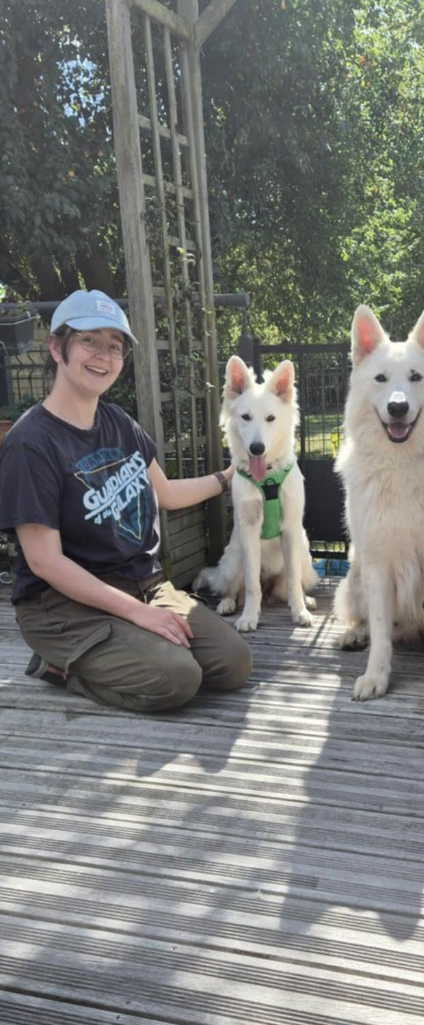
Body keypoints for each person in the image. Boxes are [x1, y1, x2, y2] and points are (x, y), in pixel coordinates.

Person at [0, 289, 252, 712]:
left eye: (114, 347)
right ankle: (59, 666)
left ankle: (128, 642)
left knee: (233, 664)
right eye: (89, 341)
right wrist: (139, 616)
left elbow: (166, 493)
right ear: (56, 347)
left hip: (142, 584)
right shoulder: (31, 443)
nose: (103, 355)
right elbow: (45, 562)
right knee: (177, 679)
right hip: (61, 606)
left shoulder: (118, 421)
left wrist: (227, 479)